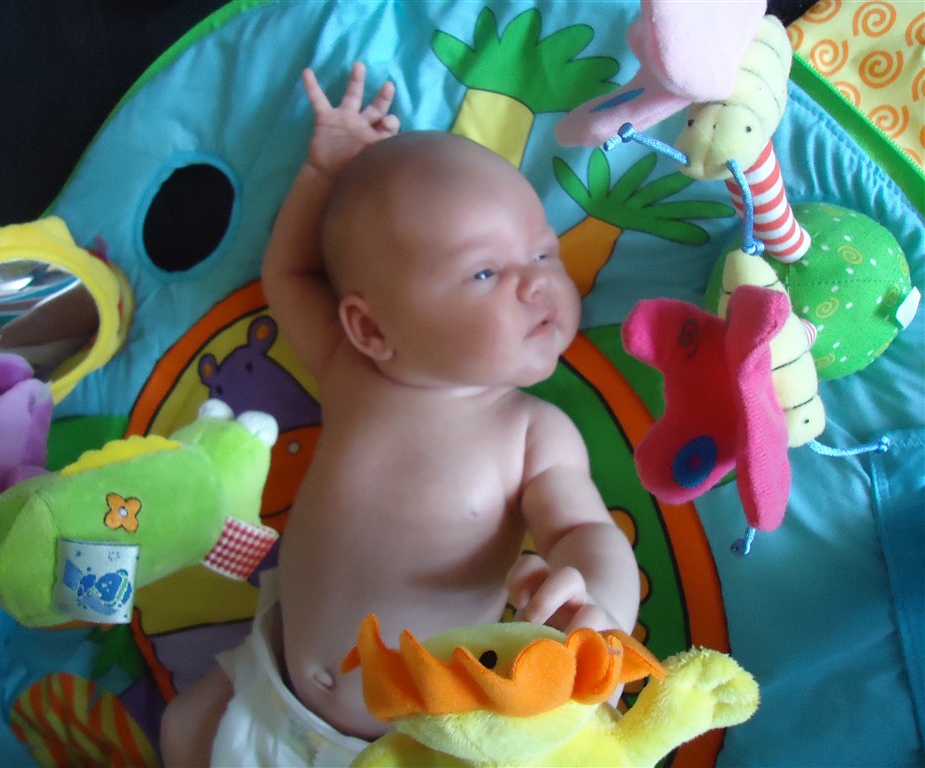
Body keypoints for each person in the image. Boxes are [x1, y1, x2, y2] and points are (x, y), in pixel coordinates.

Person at [160, 62, 640, 767]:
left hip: (417, 742)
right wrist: (324, 170)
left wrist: (598, 604)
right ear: (371, 328)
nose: (538, 281)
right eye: (484, 271)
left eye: (544, 251)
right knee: (182, 730)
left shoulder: (532, 435)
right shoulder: (351, 371)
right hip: (272, 682)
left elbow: (583, 530)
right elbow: (289, 276)